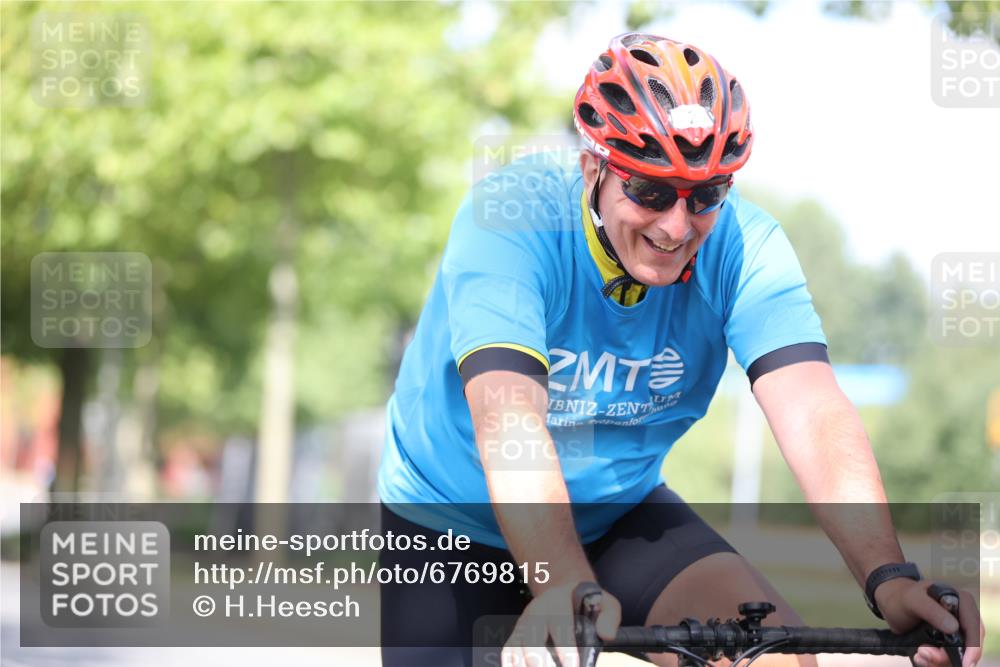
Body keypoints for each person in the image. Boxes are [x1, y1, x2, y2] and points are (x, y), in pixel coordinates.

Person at [376, 33, 985, 667]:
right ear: (594, 171)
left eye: (705, 196)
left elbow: (812, 411)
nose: (676, 225)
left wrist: (887, 575)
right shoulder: (511, 223)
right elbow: (510, 422)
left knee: (773, 657)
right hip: (447, 516)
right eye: (650, 192)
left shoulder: (746, 246)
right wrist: (560, 584)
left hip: (617, 509)